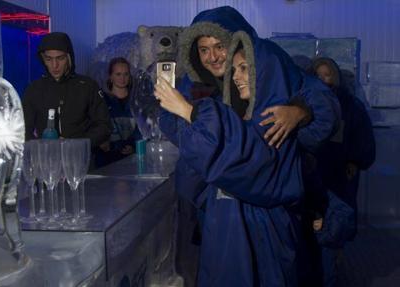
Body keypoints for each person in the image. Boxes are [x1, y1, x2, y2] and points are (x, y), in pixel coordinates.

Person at [154, 6, 339, 286]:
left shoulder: (269, 71)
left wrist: (300, 110)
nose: (212, 57)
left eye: (219, 46)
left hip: (265, 216)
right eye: (203, 50)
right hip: (222, 214)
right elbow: (176, 126)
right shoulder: (198, 86)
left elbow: (322, 104)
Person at [304, 57, 376, 287]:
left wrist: (355, 161)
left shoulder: (351, 106)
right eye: (318, 75)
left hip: (337, 183)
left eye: (328, 75)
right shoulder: (304, 103)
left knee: (331, 237)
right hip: (311, 179)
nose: (324, 80)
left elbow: (363, 139)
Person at [22, 32, 111, 147]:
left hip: (81, 161)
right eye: (49, 59)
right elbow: (23, 130)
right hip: (46, 161)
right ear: (43, 60)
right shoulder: (34, 90)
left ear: (69, 58)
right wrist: (40, 147)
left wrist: (76, 145)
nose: (55, 65)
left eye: (60, 58)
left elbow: (104, 126)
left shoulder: (87, 86)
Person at [95, 57, 141, 167]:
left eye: (126, 74)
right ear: (111, 76)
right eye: (118, 74)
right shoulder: (101, 100)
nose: (122, 78)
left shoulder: (137, 100)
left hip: (132, 162)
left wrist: (133, 145)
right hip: (107, 161)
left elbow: (142, 128)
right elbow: (95, 126)